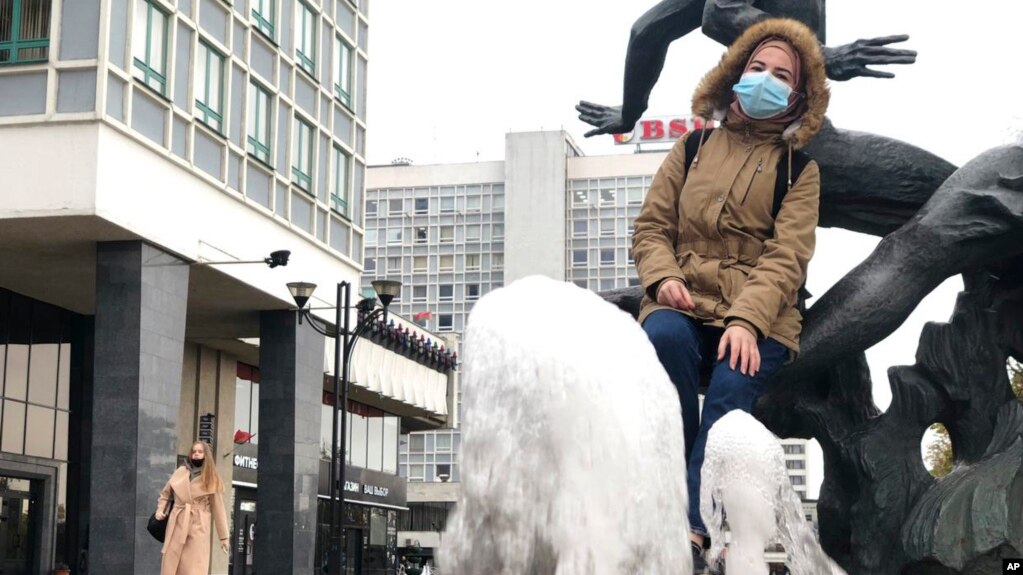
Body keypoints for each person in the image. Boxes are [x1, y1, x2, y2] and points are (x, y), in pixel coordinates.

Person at [632, 18, 828, 574]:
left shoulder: (800, 171)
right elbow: (650, 228)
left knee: (726, 397)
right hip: (685, 303)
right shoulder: (693, 146)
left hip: (759, 317)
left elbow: (788, 257)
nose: (766, 79)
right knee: (662, 337)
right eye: (757, 67)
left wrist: (746, 321)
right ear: (737, 73)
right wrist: (662, 276)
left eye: (782, 76)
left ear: (798, 95)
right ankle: (675, 507)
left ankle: (690, 531)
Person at [155, 441, 230, 575]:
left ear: (206, 455)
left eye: (200, 452)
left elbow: (218, 508)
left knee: (193, 566)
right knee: (171, 564)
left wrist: (223, 537)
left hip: (198, 525)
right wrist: (160, 510)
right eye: (194, 451)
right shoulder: (180, 472)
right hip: (177, 522)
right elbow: (165, 494)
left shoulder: (211, 477)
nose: (196, 454)